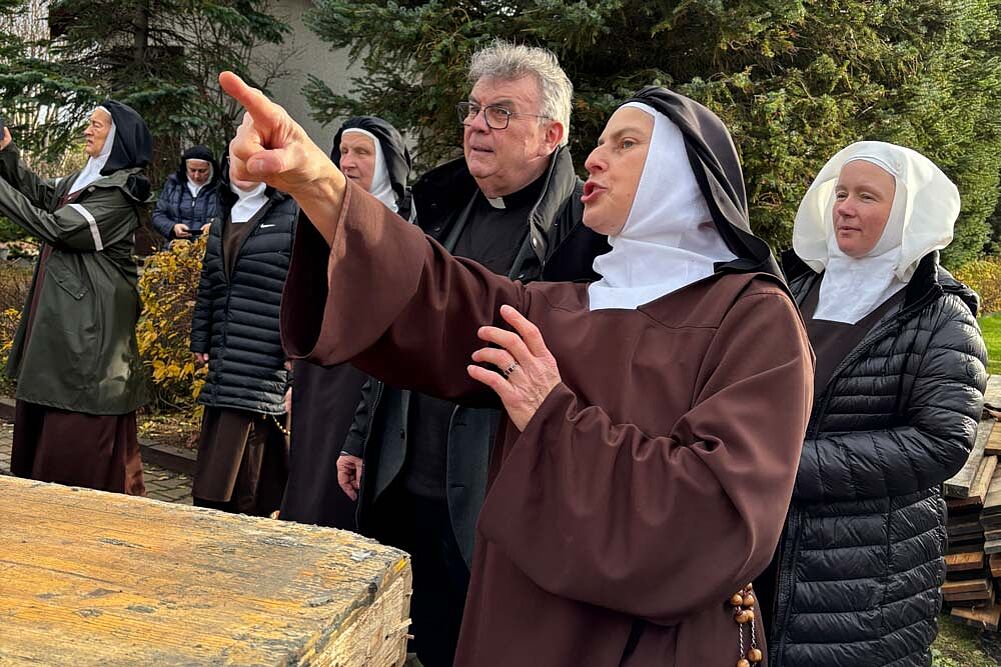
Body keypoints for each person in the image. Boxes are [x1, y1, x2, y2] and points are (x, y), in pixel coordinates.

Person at [222, 68, 815, 666]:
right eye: (600, 143)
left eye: (626, 143)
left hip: (648, 645)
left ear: (685, 173)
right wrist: (317, 182)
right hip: (523, 625)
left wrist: (551, 415)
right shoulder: (563, 305)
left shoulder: (754, 318)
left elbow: (718, 520)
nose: (594, 161)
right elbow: (437, 294)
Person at [332, 42, 608, 667]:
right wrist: (360, 437)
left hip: (488, 495)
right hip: (403, 478)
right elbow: (397, 331)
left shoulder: (583, 235)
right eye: (475, 109)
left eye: (502, 112)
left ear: (551, 133)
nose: (477, 124)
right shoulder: (440, 207)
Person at [760, 142, 988, 666]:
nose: (845, 206)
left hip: (864, 569)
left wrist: (787, 467)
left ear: (907, 214)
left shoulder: (938, 314)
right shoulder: (793, 289)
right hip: (763, 541)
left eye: (867, 196)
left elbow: (942, 441)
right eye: (840, 193)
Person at [0, 101, 152, 495]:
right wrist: (6, 150)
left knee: (77, 406)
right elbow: (40, 194)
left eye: (96, 126)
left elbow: (56, 227)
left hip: (90, 327)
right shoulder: (87, 181)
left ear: (117, 138)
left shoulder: (118, 195)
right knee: (54, 393)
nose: (87, 130)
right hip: (68, 318)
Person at [280, 116, 412, 529]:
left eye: (362, 152)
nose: (348, 162)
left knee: (345, 486)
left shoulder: (407, 229)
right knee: (308, 473)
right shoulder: (322, 220)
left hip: (368, 374)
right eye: (343, 151)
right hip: (318, 372)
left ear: (388, 163)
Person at [188, 155, 298, 516]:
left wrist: (294, 350)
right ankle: (213, 517)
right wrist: (199, 340)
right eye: (237, 162)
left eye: (253, 162)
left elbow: (302, 290)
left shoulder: (290, 213)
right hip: (224, 347)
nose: (245, 170)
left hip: (265, 350)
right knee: (220, 440)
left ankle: (243, 521)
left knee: (247, 453)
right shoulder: (224, 214)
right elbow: (210, 284)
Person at [152, 145, 222, 241]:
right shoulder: (173, 184)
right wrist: (173, 227)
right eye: (192, 170)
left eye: (202, 171)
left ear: (211, 167)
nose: (196, 176)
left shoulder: (222, 187)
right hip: (176, 247)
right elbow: (158, 215)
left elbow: (230, 217)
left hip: (210, 248)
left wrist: (215, 226)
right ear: (185, 167)